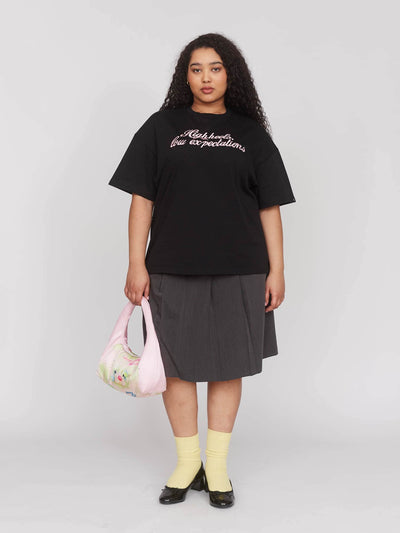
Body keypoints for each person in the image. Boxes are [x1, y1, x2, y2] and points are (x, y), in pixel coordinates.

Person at [108, 32, 296, 508]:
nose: (206, 78)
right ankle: (187, 463)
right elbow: (141, 199)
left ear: (231, 74)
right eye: (196, 69)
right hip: (170, 268)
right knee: (176, 369)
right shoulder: (161, 127)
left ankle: (217, 467)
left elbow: (270, 207)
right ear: (185, 76)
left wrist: (276, 270)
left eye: (215, 68)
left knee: (228, 367)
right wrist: (136, 262)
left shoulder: (251, 135)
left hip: (241, 269)